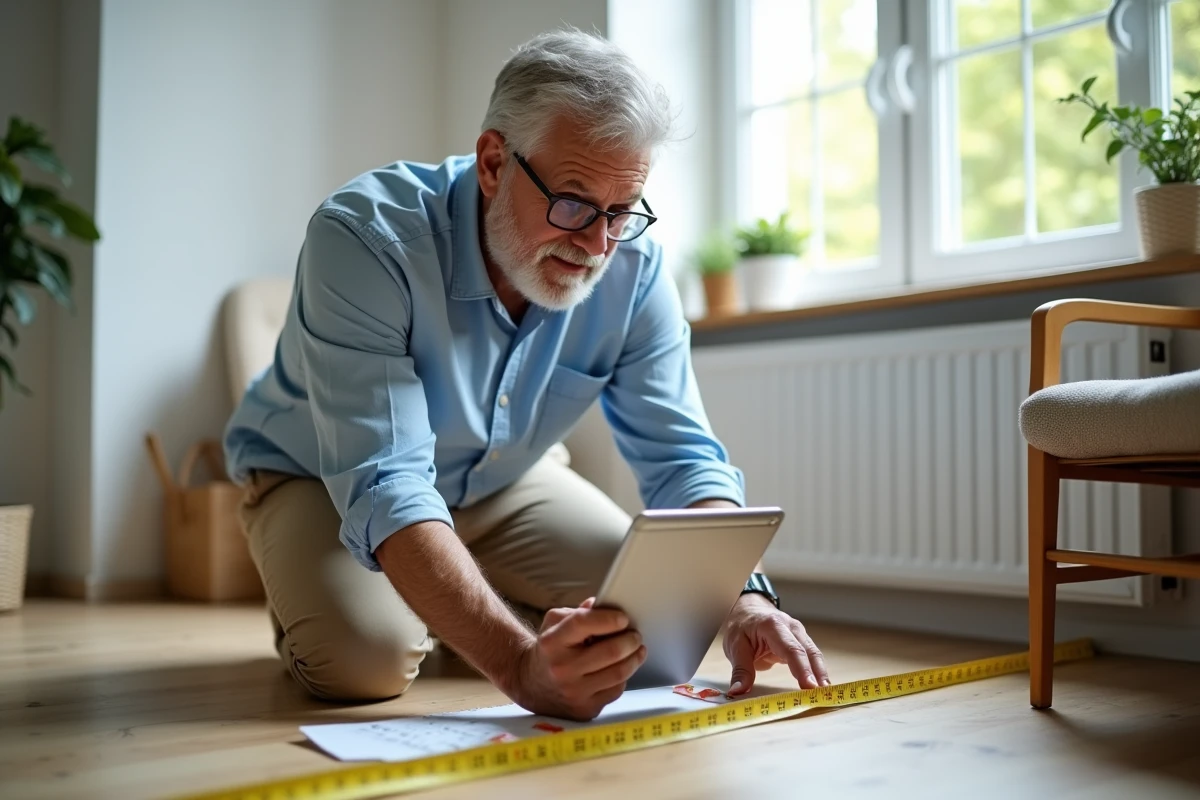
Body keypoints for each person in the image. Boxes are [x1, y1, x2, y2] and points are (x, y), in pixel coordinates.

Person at [223, 28, 830, 721]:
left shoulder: (634, 269)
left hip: (505, 479)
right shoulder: (364, 238)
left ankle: (459, 607)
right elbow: (387, 483)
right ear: (492, 163)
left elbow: (684, 457)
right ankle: (398, 607)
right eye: (572, 202)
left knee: (656, 626)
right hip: (323, 480)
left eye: (620, 211)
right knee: (366, 659)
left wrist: (745, 597)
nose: (597, 245)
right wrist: (517, 666)